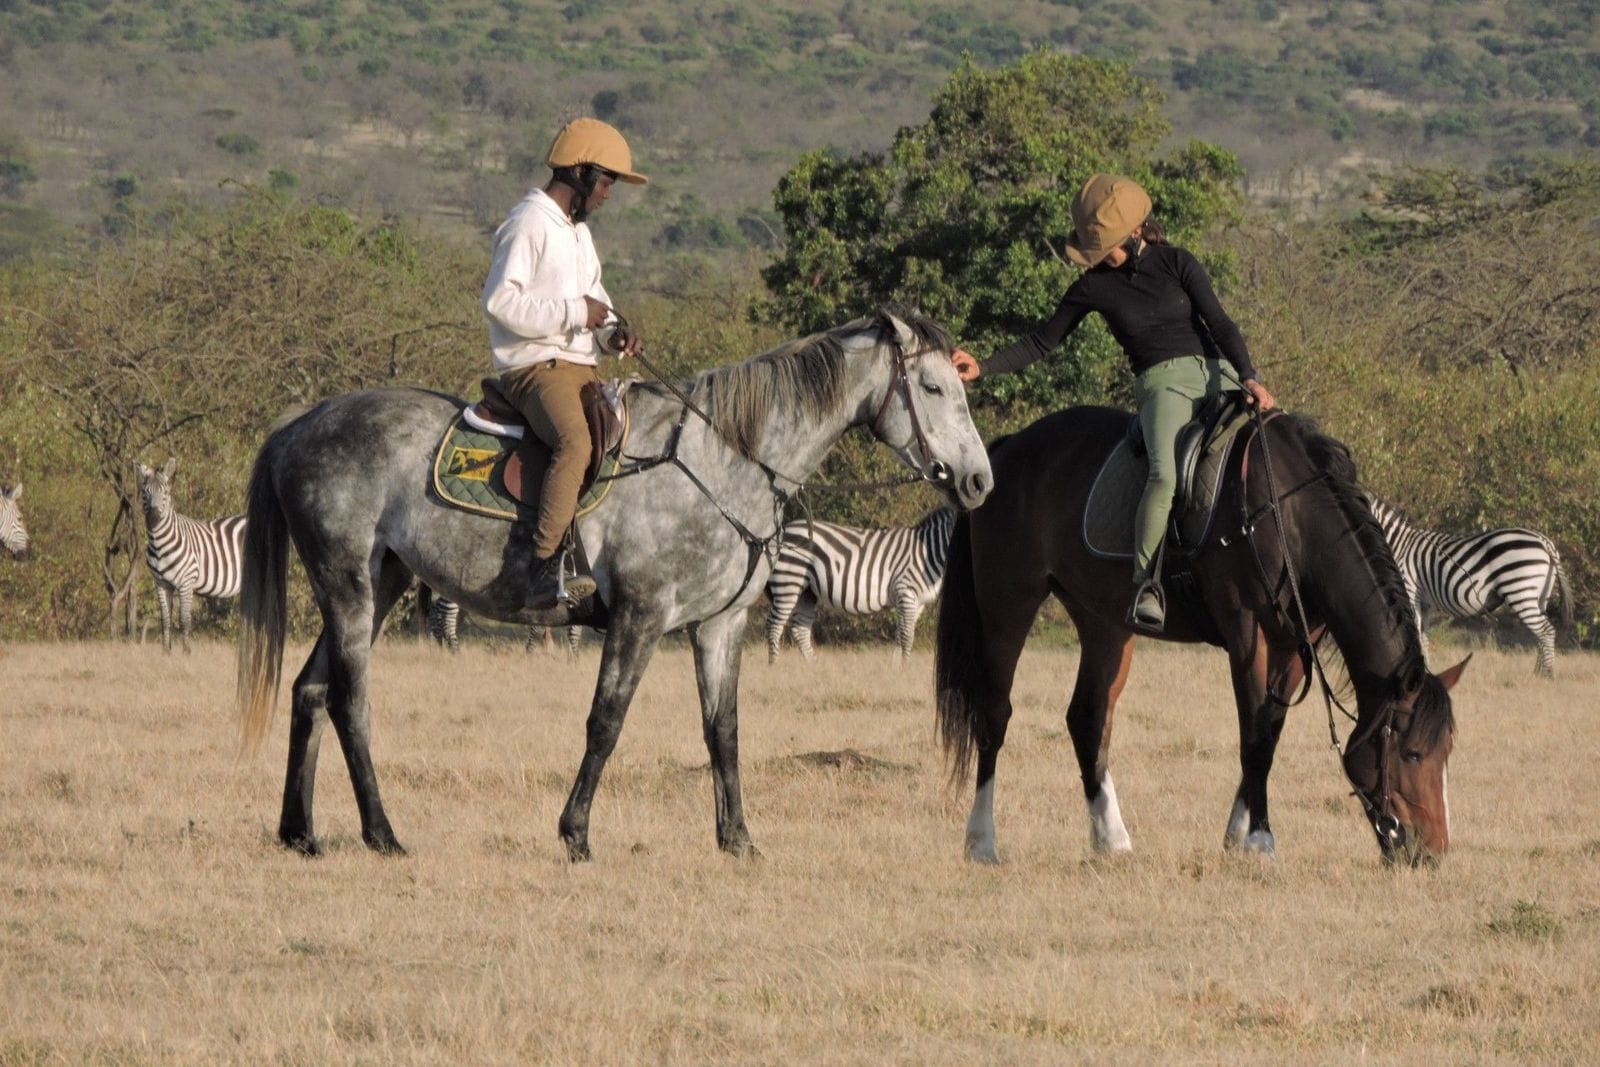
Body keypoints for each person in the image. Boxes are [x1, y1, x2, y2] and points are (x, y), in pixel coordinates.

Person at [952, 173, 1276, 632]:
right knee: (1164, 474)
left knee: (1275, 442)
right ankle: (1148, 585)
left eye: (1102, 245)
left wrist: (1250, 376)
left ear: (1135, 232)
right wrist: (983, 367)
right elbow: (1043, 342)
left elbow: (1221, 324)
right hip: (1163, 387)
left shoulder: (1178, 262)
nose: (1096, 256)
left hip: (1216, 374)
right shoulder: (1092, 287)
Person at [482, 117, 647, 608]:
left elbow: (596, 301)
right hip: (534, 369)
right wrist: (577, 312)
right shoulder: (529, 222)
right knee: (574, 443)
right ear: (579, 173)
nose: (607, 194)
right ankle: (542, 566)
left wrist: (613, 332)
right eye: (605, 182)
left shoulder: (579, 236)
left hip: (581, 366)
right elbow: (499, 302)